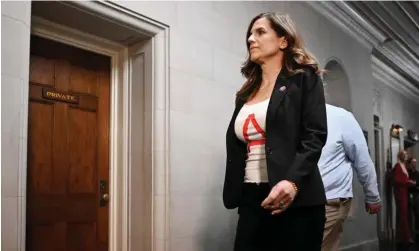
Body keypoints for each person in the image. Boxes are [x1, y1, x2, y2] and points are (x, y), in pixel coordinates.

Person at [222, 12, 328, 251]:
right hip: (251, 197)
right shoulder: (245, 94)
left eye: (260, 32)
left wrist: (292, 182)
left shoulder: (304, 79)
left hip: (295, 198)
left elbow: (315, 136)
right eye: (250, 34)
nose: (251, 39)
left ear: (283, 41)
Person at [317, 104, 381, 251]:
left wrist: (373, 197)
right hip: (290, 202)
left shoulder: (340, 117)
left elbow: (362, 159)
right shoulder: (285, 114)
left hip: (329, 201)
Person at [392, 150, 416, 249]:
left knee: (404, 214)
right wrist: (409, 182)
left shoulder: (404, 166)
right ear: (401, 156)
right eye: (405, 154)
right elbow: (397, 180)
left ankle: (401, 237)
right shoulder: (398, 166)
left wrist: (408, 182)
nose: (406, 155)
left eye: (406, 154)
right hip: (400, 192)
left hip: (404, 191)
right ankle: (406, 238)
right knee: (403, 214)